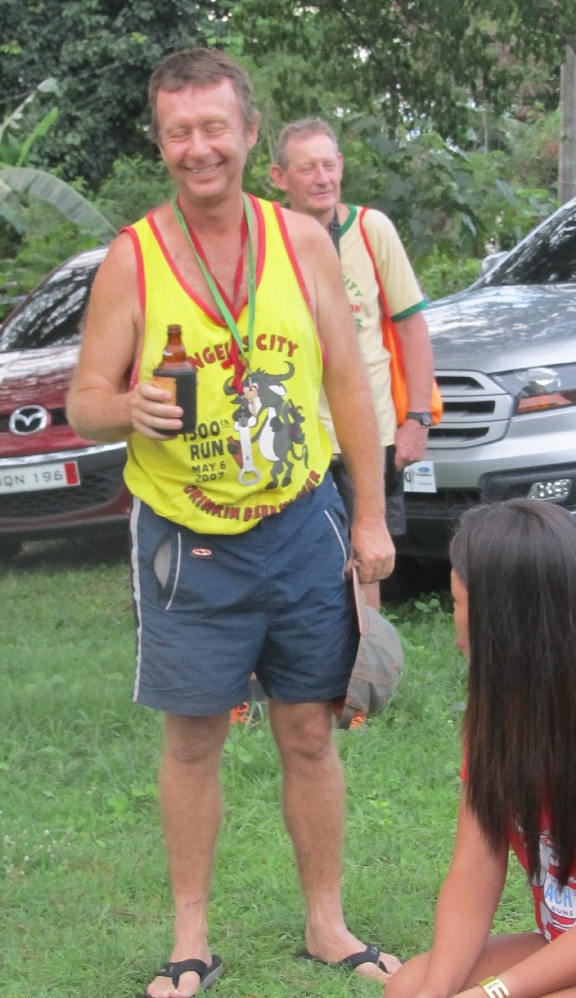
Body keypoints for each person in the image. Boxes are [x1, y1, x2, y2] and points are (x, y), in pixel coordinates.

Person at [66, 48, 402, 998]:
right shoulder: (133, 259)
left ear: (251, 134)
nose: (199, 148)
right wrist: (124, 406)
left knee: (309, 731)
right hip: (187, 542)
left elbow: (348, 383)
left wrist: (370, 519)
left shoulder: (300, 242)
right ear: (160, 142)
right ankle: (191, 942)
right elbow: (84, 400)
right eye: (179, 132)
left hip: (301, 525)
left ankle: (327, 926)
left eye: (215, 127)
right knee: (192, 740)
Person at [387, 498, 576, 998]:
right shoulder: (502, 721)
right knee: (408, 988)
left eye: (458, 603)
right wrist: (436, 993)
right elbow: (475, 869)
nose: (454, 626)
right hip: (561, 943)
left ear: (503, 619)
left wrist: (494, 992)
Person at [270, 118, 435, 608]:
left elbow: (411, 326)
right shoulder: (268, 238)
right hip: (295, 436)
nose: (322, 178)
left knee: (366, 565)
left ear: (341, 166)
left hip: (368, 433)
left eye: (329, 165)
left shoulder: (370, 228)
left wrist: (417, 420)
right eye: (307, 168)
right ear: (280, 177)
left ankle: (365, 657)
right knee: (296, 566)